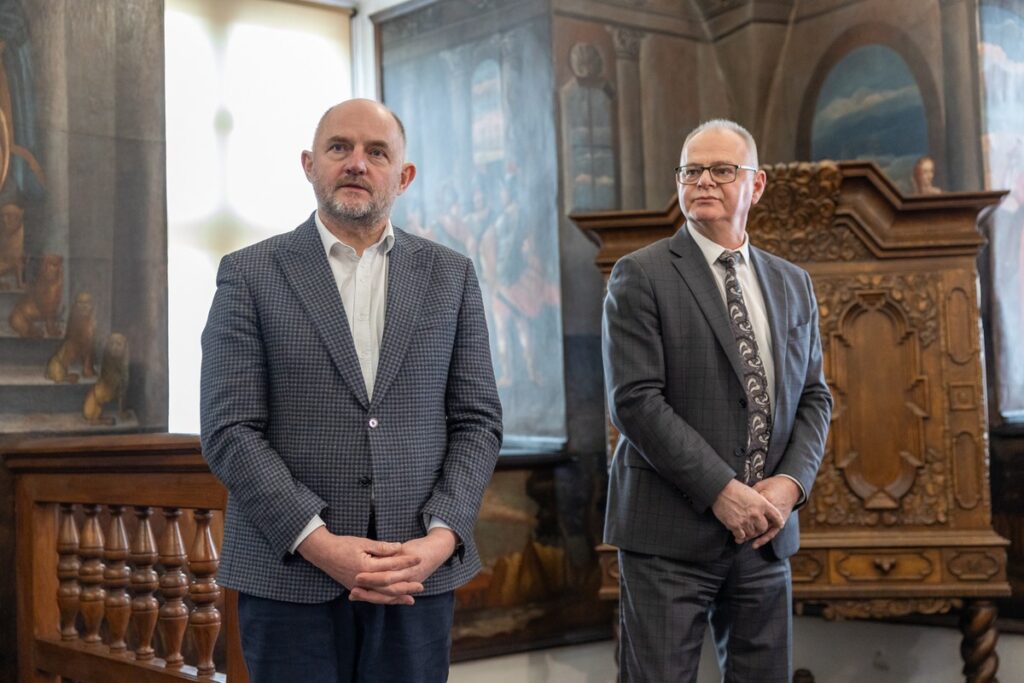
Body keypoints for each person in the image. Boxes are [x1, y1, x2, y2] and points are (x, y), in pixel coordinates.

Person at [200, 98, 503, 682]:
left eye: (377, 152)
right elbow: (229, 430)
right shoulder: (249, 274)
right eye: (340, 148)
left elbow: (477, 422)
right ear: (310, 164)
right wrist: (318, 543)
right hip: (289, 577)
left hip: (415, 575)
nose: (357, 163)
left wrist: (442, 536)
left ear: (404, 175)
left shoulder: (452, 274)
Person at [602, 119, 832, 682]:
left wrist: (791, 484)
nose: (703, 180)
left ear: (755, 185)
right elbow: (635, 402)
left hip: (765, 537)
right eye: (691, 170)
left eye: (722, 169)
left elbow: (814, 397)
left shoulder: (791, 282)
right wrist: (722, 493)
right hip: (667, 538)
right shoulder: (641, 275)